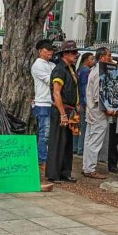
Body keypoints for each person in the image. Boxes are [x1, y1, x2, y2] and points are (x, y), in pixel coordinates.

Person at [46, 40, 80, 183]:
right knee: (58, 141)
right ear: (65, 54)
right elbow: (56, 93)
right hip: (61, 109)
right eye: (73, 52)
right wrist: (63, 114)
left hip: (70, 109)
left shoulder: (70, 68)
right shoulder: (60, 69)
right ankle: (53, 174)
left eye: (76, 52)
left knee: (67, 143)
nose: (76, 55)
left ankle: (65, 172)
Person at [81, 47, 111, 180]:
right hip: (98, 111)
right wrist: (108, 110)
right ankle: (90, 168)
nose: (110, 58)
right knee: (94, 141)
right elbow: (98, 96)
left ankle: (87, 167)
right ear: (102, 57)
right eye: (109, 55)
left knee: (89, 140)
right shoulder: (99, 72)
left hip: (93, 110)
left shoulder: (95, 70)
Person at [30, 39, 55, 168]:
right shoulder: (37, 65)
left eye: (51, 50)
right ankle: (42, 159)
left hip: (53, 103)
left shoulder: (53, 65)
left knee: (50, 134)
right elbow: (51, 80)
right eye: (47, 50)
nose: (50, 52)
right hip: (43, 103)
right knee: (44, 134)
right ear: (40, 51)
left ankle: (47, 158)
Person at [75, 52, 94, 156]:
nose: (93, 61)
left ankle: (75, 147)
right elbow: (85, 88)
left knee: (77, 125)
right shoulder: (87, 71)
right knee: (83, 126)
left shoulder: (79, 70)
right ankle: (80, 148)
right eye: (92, 59)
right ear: (86, 60)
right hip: (83, 102)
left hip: (78, 101)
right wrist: (87, 103)